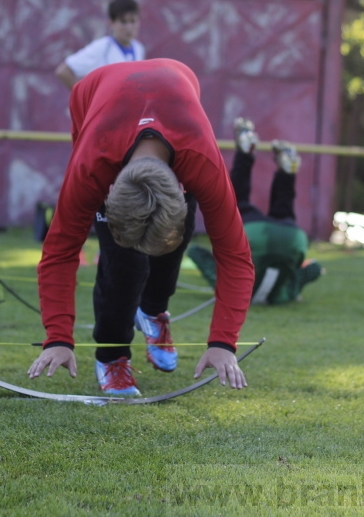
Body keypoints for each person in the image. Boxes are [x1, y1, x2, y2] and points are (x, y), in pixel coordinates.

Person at [27, 58, 255, 396]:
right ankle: (112, 358)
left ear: (182, 187)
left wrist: (223, 342)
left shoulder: (201, 162)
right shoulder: (91, 168)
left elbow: (235, 256)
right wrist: (58, 338)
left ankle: (152, 310)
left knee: (176, 239)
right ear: (108, 193)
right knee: (123, 264)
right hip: (95, 95)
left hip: (176, 81)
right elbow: (60, 252)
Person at [188, 118, 322, 304]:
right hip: (254, 235)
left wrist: (302, 268)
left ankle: (287, 172)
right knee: (236, 201)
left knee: (283, 210)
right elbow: (195, 252)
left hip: (292, 239)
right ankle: (245, 151)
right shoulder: (230, 288)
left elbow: (315, 269)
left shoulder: (286, 294)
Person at [54, 0, 145, 89]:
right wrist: (85, 96)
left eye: (133, 21)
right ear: (112, 23)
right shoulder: (102, 47)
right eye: (123, 21)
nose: (129, 27)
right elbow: (63, 71)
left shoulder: (139, 48)